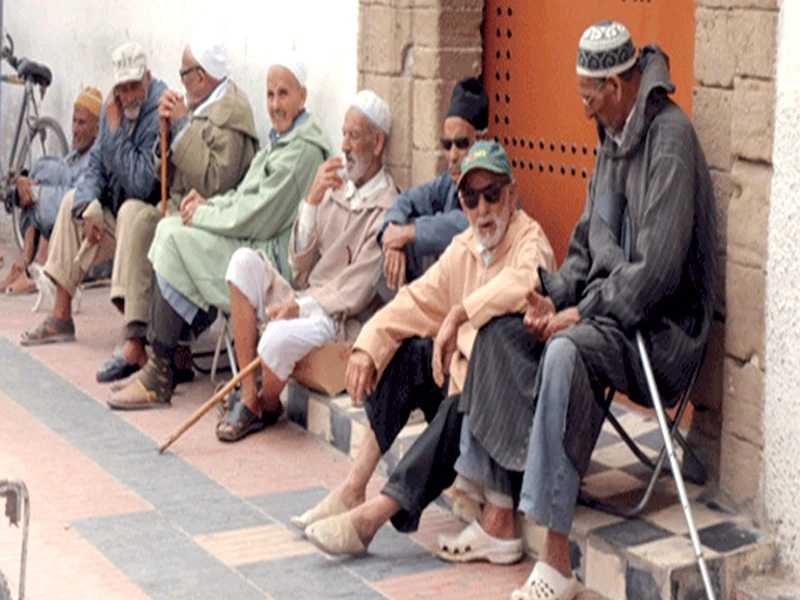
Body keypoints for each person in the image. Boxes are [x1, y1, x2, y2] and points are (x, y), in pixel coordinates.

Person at [440, 22, 717, 600]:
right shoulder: (611, 136)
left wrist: (579, 316)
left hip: (659, 332)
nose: (584, 107)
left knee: (566, 350)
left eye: (590, 95)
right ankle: (497, 517)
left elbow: (658, 274)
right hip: (611, 315)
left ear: (617, 85)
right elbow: (588, 246)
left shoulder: (670, 140)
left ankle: (558, 558)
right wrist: (553, 294)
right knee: (502, 330)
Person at [293, 141, 556, 557]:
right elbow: (415, 301)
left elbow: (524, 285)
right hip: (465, 400)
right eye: (471, 198)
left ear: (512, 194)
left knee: (459, 403)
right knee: (407, 350)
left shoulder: (529, 238)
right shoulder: (465, 246)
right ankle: (354, 486)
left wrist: (459, 314)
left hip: (513, 426)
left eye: (492, 194)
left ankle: (373, 517)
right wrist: (367, 347)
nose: (483, 209)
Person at [107, 55, 330, 410]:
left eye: (284, 95)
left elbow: (259, 215)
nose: (274, 105)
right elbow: (243, 194)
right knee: (169, 227)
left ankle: (160, 372)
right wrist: (210, 207)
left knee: (174, 236)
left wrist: (206, 215)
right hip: (248, 236)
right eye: (270, 95)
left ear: (302, 97)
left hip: (271, 257)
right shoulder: (282, 140)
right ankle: (166, 361)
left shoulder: (303, 151)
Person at [216, 90, 397, 442]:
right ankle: (253, 401)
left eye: (354, 137)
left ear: (377, 145)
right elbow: (300, 269)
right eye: (343, 134)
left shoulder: (387, 208)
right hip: (306, 297)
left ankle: (265, 405)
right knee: (240, 264)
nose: (344, 145)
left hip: (334, 318)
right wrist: (311, 203)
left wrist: (298, 307)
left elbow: (355, 294)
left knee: (275, 339)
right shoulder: (334, 186)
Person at [95, 31, 259, 384]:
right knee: (133, 215)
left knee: (146, 225)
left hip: (212, 213)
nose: (181, 80)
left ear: (201, 76)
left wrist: (182, 125)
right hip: (181, 203)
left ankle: (157, 349)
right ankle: (138, 338)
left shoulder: (232, 112)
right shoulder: (198, 104)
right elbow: (164, 167)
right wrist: (165, 138)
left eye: (185, 73)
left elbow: (216, 180)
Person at [20, 42, 167, 345]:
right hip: (115, 213)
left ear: (148, 79)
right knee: (72, 201)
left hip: (147, 218)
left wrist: (113, 132)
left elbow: (141, 183)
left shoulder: (157, 112)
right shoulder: (113, 109)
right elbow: (95, 166)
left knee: (129, 213)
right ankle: (61, 316)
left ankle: (134, 337)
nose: (128, 96)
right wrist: (89, 204)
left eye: (134, 86)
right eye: (122, 88)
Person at [378, 77, 488, 292]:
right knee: (399, 248)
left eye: (462, 144)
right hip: (448, 291)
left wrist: (408, 233)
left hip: (477, 294)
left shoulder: (494, 182)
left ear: (482, 140)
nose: (453, 156)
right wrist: (393, 241)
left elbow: (470, 223)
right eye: (447, 145)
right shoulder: (449, 181)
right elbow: (405, 200)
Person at [0, 87, 101, 295]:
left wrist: (35, 193)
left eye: (81, 123)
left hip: (83, 239)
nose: (74, 129)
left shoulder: (95, 160)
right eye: (73, 121)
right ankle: (25, 265)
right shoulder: (74, 156)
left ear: (97, 130)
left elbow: (77, 198)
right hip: (60, 218)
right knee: (40, 177)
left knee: (42, 194)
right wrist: (25, 182)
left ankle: (33, 268)